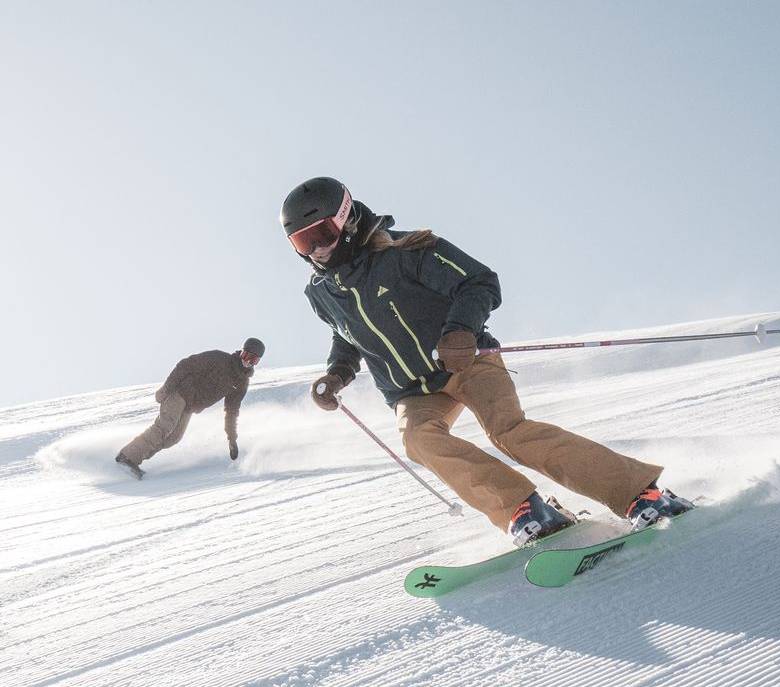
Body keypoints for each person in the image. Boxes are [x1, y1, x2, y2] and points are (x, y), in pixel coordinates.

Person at [279, 177, 693, 543]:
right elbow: (346, 335)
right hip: (411, 389)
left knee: (509, 432)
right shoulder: (321, 293)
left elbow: (479, 282)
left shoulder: (408, 250)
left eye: (323, 233)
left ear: (347, 218)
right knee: (418, 439)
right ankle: (524, 509)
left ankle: (640, 493)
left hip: (466, 361)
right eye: (303, 242)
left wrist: (459, 329)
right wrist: (337, 373)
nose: (317, 249)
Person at [115, 338, 265, 478]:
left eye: (253, 360)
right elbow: (186, 365)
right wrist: (166, 389)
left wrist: (232, 439)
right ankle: (127, 457)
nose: (248, 362)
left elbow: (231, 411)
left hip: (190, 407)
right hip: (180, 392)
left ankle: (135, 459)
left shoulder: (241, 383)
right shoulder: (220, 358)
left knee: (173, 439)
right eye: (246, 355)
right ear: (241, 352)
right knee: (165, 427)